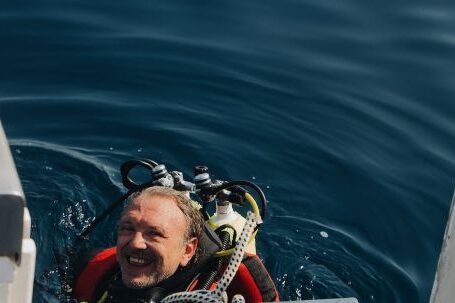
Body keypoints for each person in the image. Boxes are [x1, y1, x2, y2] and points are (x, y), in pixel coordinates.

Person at [73, 186, 279, 303]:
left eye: (154, 233)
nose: (135, 243)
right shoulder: (91, 269)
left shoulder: (220, 295)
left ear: (187, 250)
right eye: (127, 228)